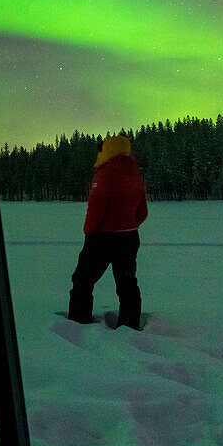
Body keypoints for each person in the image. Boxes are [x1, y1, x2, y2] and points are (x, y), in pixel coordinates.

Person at [67, 134, 148, 330]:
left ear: (108, 150)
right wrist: (128, 225)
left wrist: (89, 232)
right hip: (129, 238)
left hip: (102, 238)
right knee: (127, 284)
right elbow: (142, 212)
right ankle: (130, 327)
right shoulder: (135, 175)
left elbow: (95, 209)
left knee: (82, 280)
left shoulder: (105, 173)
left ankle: (78, 324)